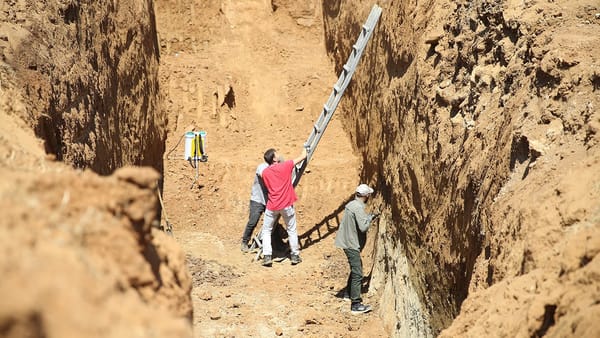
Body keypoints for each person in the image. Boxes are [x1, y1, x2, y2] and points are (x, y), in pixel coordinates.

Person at [334, 184, 379, 314]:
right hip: (351, 244)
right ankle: (356, 304)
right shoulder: (358, 208)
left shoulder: (351, 205)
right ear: (365, 196)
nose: (369, 197)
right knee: (358, 273)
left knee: (355, 269)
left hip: (346, 241)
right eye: (368, 195)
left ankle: (348, 293)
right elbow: (363, 228)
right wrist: (370, 218)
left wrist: (368, 217)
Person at [260, 147, 307, 267]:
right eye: (277, 154)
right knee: (291, 230)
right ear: (274, 158)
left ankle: (267, 256)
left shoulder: (264, 173)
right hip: (286, 204)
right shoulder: (285, 166)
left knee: (266, 231)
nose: (279, 155)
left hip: (272, 205)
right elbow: (302, 157)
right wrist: (305, 149)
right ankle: (295, 255)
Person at [240, 161, 269, 252]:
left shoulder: (275, 168)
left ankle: (277, 243)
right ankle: (245, 242)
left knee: (272, 223)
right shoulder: (262, 167)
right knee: (253, 221)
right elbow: (263, 175)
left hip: (269, 201)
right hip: (257, 199)